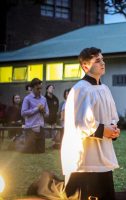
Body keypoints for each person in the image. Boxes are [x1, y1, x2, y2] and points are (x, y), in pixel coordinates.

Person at [61, 47, 120, 200]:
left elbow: (112, 116)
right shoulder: (80, 90)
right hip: (85, 157)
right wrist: (103, 131)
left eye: (103, 59)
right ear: (85, 66)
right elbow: (79, 123)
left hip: (103, 152)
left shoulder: (105, 88)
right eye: (98, 60)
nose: (103, 63)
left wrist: (113, 129)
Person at [21, 78, 49, 153]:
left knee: (41, 152)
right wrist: (37, 109)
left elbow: (47, 115)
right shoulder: (27, 99)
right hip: (30, 129)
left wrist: (43, 111)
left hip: (41, 128)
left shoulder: (44, 99)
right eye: (37, 88)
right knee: (31, 152)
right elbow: (23, 113)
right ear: (32, 88)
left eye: (40, 88)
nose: (39, 90)